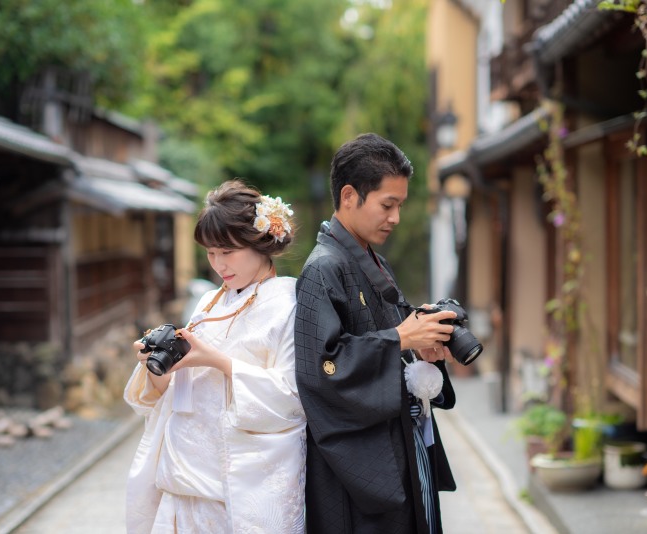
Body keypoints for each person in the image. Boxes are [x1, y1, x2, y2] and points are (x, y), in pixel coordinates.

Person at [294, 133, 459, 533]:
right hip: (359, 464)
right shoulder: (322, 269)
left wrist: (422, 350)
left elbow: (392, 342)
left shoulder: (373, 261)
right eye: (388, 205)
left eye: (400, 205)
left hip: (398, 440)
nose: (396, 218)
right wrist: (400, 340)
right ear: (349, 196)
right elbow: (322, 369)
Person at [124, 180, 306, 534]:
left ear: (259, 243)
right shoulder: (208, 302)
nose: (218, 264)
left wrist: (217, 360)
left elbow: (292, 396)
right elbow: (172, 391)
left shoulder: (289, 303)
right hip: (182, 478)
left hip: (239, 484)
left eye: (227, 251)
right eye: (210, 253)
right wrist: (153, 365)